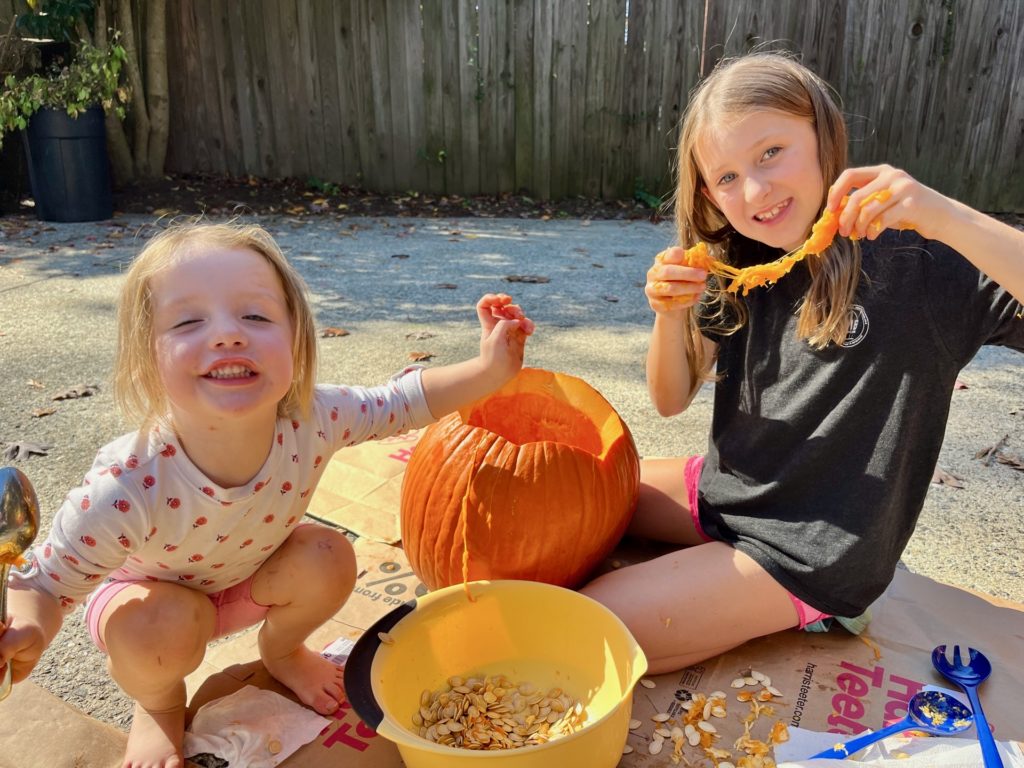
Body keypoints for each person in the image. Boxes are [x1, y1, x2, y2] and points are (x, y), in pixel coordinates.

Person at [0, 221, 535, 768]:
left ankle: (282, 651)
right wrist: (29, 629)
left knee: (329, 556)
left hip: (244, 582)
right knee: (158, 633)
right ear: (147, 355)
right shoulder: (129, 482)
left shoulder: (315, 418)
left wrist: (490, 367)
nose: (228, 334)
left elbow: (402, 401)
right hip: (150, 608)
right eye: (189, 321)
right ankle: (158, 705)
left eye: (256, 316)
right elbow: (43, 581)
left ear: (297, 340)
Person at [581, 51, 1024, 675]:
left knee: (588, 626)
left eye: (771, 153)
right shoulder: (731, 262)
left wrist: (943, 214)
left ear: (824, 135)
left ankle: (812, 610)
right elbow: (669, 399)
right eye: (727, 177)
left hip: (809, 548)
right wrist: (668, 314)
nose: (755, 192)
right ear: (708, 192)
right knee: (576, 485)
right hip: (728, 493)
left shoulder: (922, 260)